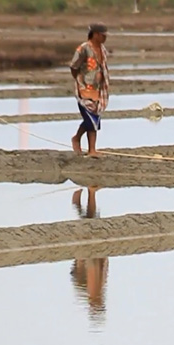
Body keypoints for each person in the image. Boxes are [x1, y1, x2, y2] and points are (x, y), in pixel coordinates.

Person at [69, 23, 110, 157]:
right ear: (96, 34)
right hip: (84, 89)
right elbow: (74, 66)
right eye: (103, 36)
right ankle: (81, 141)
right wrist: (81, 81)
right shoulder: (83, 49)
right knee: (90, 119)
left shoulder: (102, 49)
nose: (105, 38)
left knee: (95, 119)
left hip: (97, 90)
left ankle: (89, 147)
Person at [70, 186, 109, 324]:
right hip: (85, 264)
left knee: (90, 221)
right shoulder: (95, 291)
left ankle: (84, 195)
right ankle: (83, 196)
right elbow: (99, 268)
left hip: (84, 263)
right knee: (90, 220)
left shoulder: (92, 291)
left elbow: (91, 269)